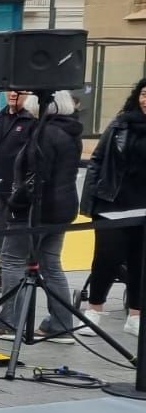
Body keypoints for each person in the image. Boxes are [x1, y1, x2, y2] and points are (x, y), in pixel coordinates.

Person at [0, 91, 82, 344]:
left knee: (12, 260)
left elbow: (36, 176)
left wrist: (16, 202)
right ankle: (60, 324)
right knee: (51, 265)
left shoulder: (45, 133)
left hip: (36, 210)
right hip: (60, 209)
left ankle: (9, 322)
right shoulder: (69, 132)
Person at [80, 78, 146, 336]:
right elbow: (97, 161)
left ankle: (135, 315)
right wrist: (91, 203)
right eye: (143, 93)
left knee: (140, 262)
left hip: (143, 209)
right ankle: (94, 311)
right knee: (106, 259)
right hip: (113, 204)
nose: (145, 99)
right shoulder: (121, 124)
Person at [0, 90, 35, 289]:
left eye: (19, 91)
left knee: (19, 231)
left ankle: (22, 273)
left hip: (19, 187)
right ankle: (2, 271)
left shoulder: (31, 119)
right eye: (10, 90)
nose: (13, 94)